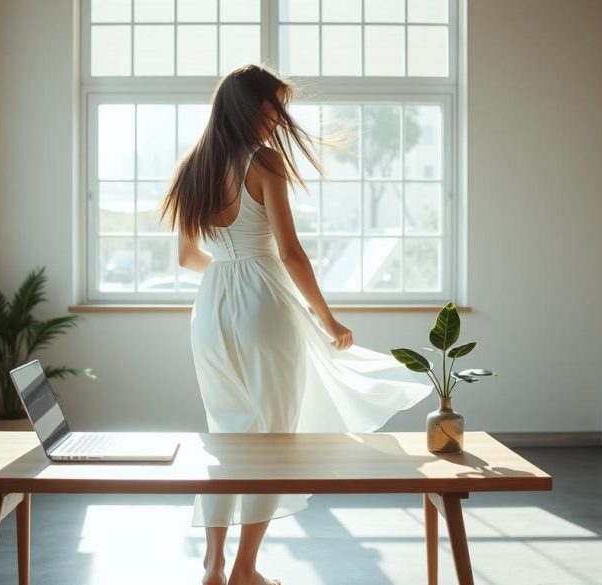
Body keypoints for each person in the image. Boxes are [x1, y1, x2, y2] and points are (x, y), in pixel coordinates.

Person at [160, 64, 432, 585]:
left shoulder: (192, 167)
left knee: (226, 437)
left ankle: (214, 566)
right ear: (251, 106)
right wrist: (328, 320)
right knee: (273, 439)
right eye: (273, 106)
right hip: (264, 306)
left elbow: (186, 258)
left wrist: (229, 273)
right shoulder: (263, 162)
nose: (278, 118)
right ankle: (244, 569)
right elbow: (290, 253)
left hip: (211, 307)